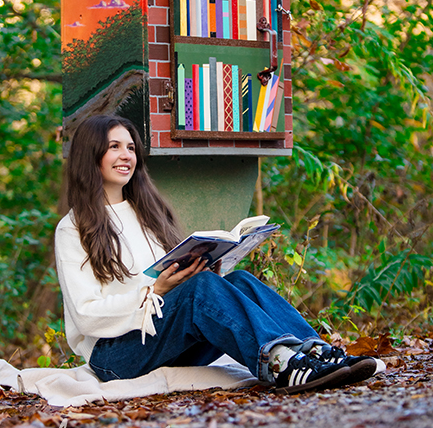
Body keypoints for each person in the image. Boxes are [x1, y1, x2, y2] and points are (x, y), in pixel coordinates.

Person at [55, 115, 378, 395]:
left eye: (130, 147)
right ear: (91, 154)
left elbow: (178, 287)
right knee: (200, 290)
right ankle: (281, 364)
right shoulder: (73, 229)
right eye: (114, 146)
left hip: (169, 341)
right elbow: (85, 315)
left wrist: (205, 267)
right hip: (117, 357)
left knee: (240, 280)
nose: (126, 155)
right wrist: (153, 290)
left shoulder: (148, 212)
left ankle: (318, 354)